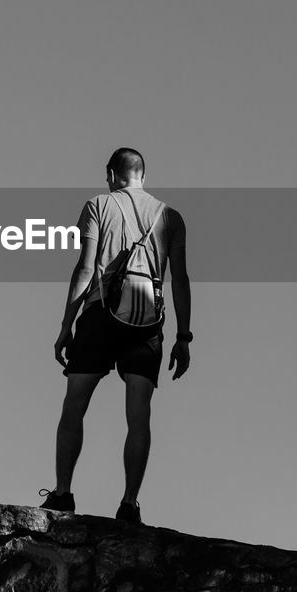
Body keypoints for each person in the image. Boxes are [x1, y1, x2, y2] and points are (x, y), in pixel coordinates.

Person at [39, 147, 192, 525]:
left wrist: (65, 326)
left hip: (99, 314)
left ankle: (62, 494)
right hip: (147, 324)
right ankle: (129, 504)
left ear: (111, 175)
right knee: (138, 416)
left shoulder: (97, 206)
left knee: (74, 404)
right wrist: (184, 336)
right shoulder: (171, 217)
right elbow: (181, 279)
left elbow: (86, 267)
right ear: (143, 176)